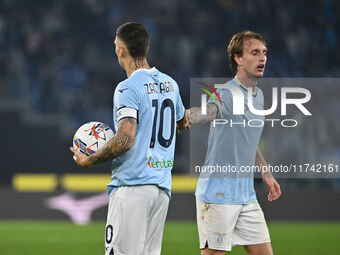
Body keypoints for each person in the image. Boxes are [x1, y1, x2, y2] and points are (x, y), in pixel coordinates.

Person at [70, 22, 189, 255]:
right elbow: (182, 121)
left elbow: (126, 138)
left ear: (121, 50)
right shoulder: (170, 84)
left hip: (133, 187)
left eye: (116, 46)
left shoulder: (127, 88)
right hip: (161, 190)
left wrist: (90, 159)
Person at [187, 31, 281, 255]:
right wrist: (186, 117)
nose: (262, 58)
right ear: (238, 58)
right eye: (255, 52)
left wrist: (265, 172)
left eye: (264, 53)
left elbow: (247, 139)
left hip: (246, 195)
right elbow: (207, 112)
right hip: (218, 195)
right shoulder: (227, 92)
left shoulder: (258, 97)